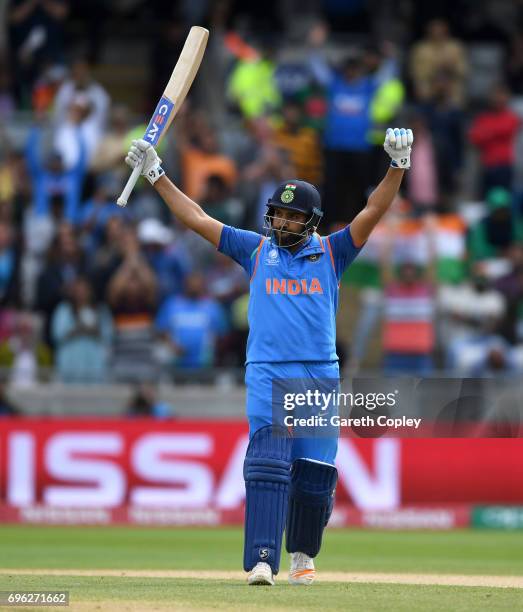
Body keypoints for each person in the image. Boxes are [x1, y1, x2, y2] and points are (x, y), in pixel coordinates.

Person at [123, 126, 414, 585]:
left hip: (319, 376)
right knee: (267, 464)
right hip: (267, 372)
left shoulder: (332, 253)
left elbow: (374, 209)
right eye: (276, 214)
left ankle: (302, 555)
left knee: (314, 479)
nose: (280, 223)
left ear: (311, 221)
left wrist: (397, 166)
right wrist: (157, 175)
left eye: (290, 217)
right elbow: (198, 219)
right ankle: (262, 560)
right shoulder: (257, 251)